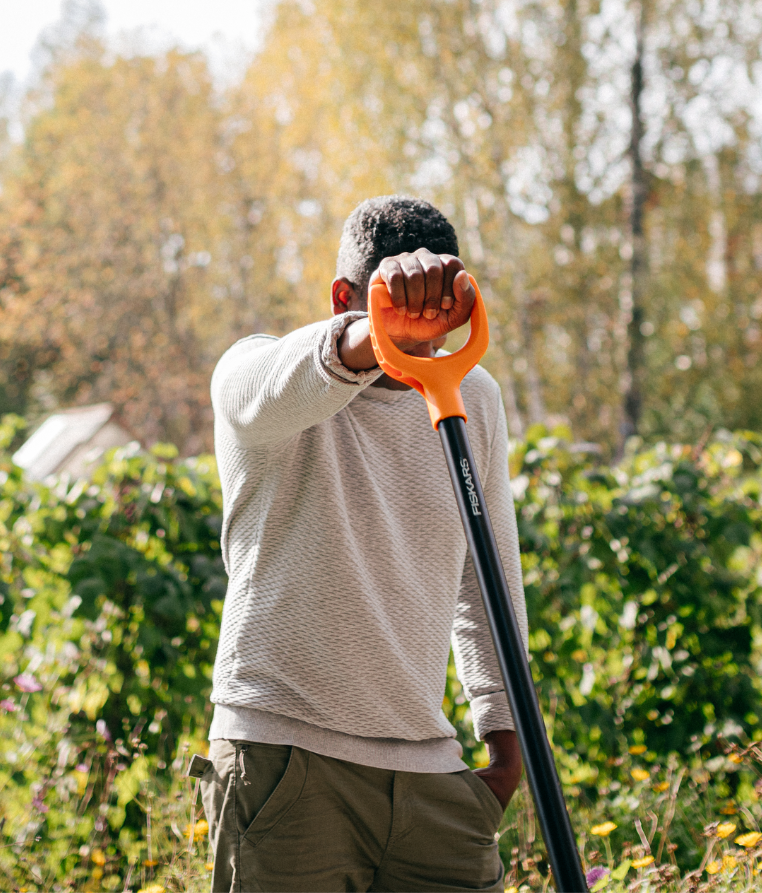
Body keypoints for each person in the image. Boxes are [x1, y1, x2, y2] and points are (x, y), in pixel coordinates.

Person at [196, 196, 526, 891]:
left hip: (433, 780)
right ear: (343, 299)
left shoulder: (473, 397)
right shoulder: (260, 374)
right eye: (403, 314)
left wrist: (506, 755)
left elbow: (487, 582)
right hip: (285, 765)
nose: (422, 345)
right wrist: (378, 337)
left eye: (437, 319)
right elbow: (257, 391)